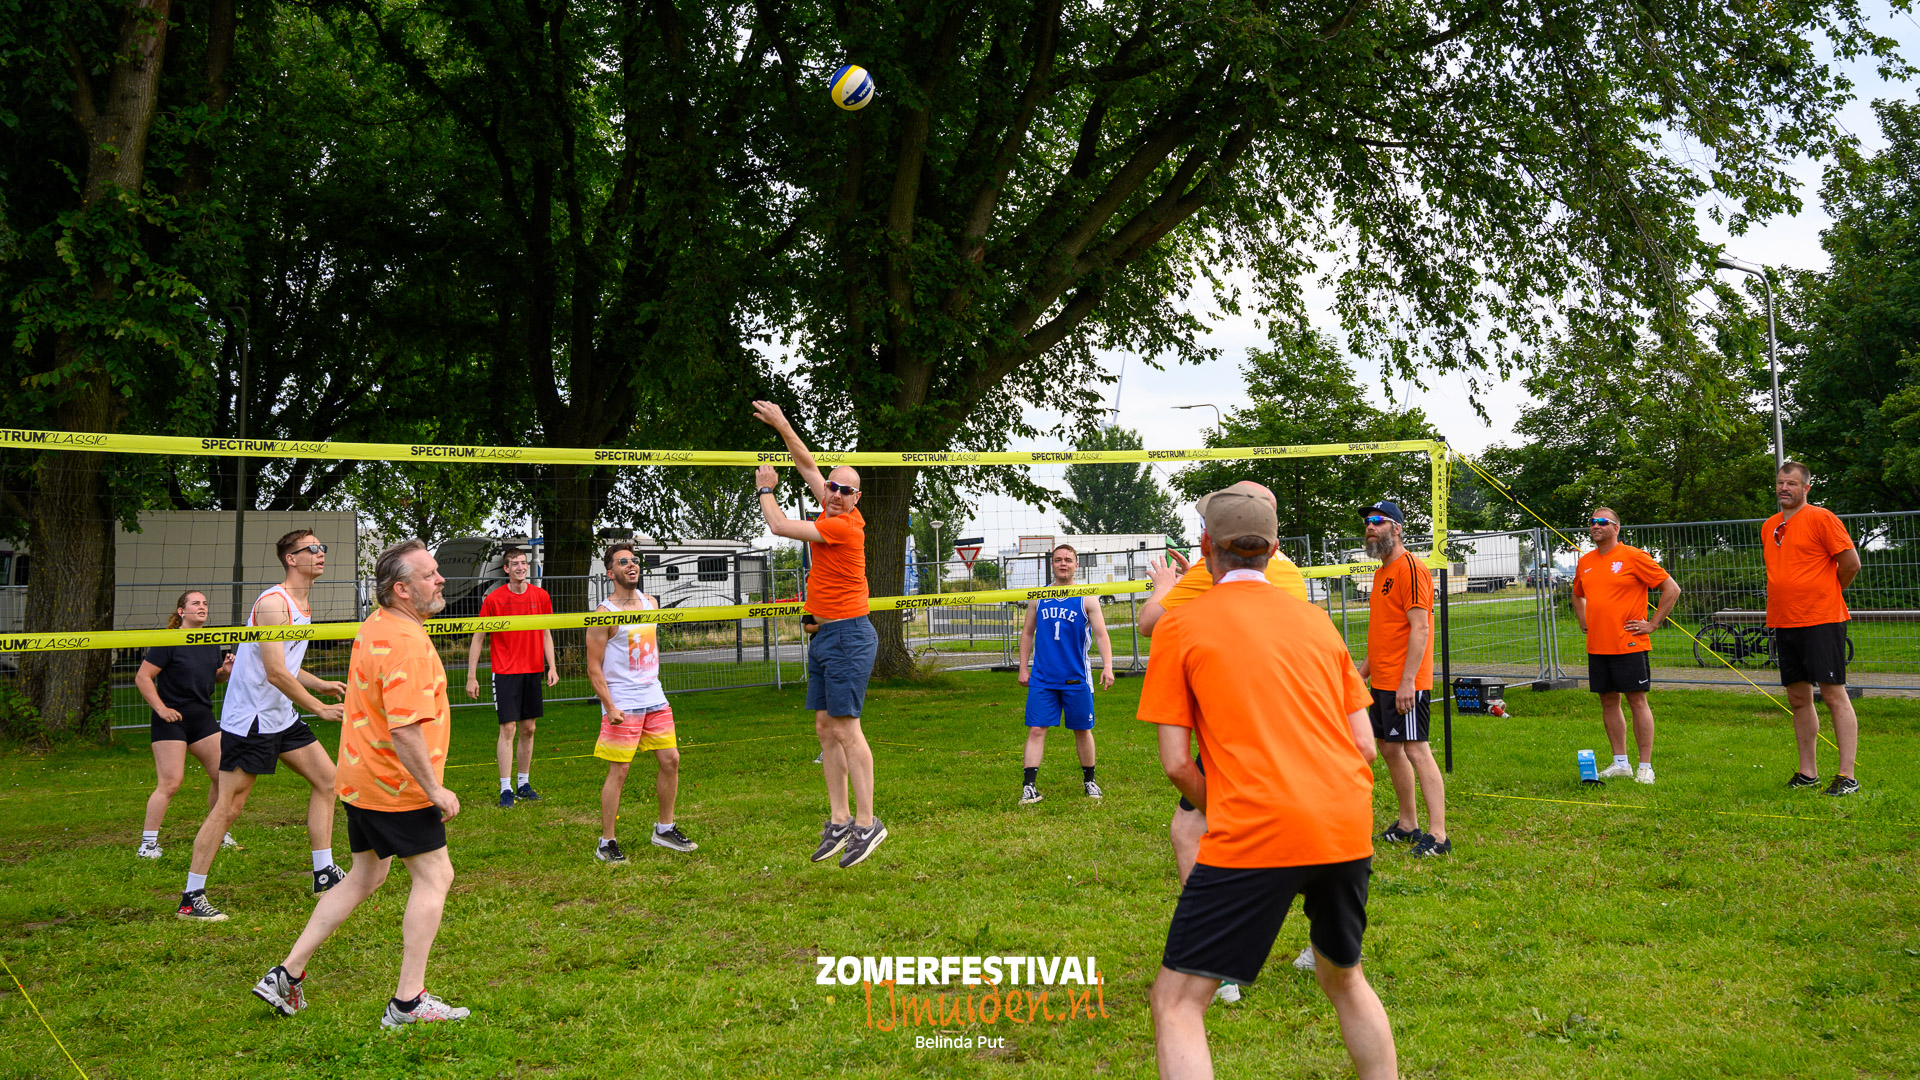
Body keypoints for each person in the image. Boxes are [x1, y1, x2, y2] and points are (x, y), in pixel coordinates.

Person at [1141, 486, 1396, 1080]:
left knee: (1176, 1003)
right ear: (1275, 549)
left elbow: (1177, 764)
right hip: (1344, 825)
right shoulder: (1317, 622)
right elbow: (1364, 745)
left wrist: (1225, 808)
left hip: (1256, 828)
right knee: (1345, 979)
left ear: (1206, 546)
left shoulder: (1180, 625)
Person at [251, 539, 471, 1028]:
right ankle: (408, 1002)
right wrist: (434, 789)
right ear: (402, 590)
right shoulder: (407, 644)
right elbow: (405, 729)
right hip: (395, 785)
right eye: (429, 575)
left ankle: (286, 974)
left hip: (360, 777)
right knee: (435, 876)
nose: (440, 580)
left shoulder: (377, 622)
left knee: (366, 875)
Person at [1140, 479, 1316, 987]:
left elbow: (1151, 623)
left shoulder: (1207, 573)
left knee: (1191, 830)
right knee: (1300, 833)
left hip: (1242, 728)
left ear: (1213, 539)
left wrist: (1164, 586)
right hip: (1301, 726)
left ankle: (1214, 957)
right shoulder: (1291, 573)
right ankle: (1323, 943)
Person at [177, 530, 348, 923]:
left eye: (322, 547)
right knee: (229, 806)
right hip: (251, 720)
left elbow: (286, 665)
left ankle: (323, 872)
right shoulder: (274, 604)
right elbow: (274, 672)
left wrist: (319, 683)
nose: (321, 553)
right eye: (312, 548)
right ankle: (191, 898)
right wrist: (319, 707)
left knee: (328, 780)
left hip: (280, 715)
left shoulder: (303, 602)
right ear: (291, 558)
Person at [751, 399, 887, 869]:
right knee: (825, 728)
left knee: (847, 728)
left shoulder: (843, 527)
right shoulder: (831, 503)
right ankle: (839, 819)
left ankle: (868, 823)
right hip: (826, 636)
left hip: (849, 635)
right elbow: (808, 465)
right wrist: (783, 424)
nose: (835, 493)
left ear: (856, 498)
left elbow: (777, 525)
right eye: (832, 486)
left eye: (846, 490)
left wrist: (766, 489)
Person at [586, 541, 697, 860]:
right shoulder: (604, 614)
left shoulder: (651, 603)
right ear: (610, 573)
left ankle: (664, 829)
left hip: (654, 695)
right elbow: (593, 667)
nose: (631, 565)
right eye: (623, 562)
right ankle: (606, 842)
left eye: (634, 560)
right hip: (622, 700)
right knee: (620, 770)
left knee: (671, 760)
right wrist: (609, 706)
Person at [1764, 461, 1862, 795]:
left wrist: (1826, 593)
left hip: (1822, 620)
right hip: (1784, 620)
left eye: (1791, 483)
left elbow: (1850, 564)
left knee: (1833, 694)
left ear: (1806, 488)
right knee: (1797, 697)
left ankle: (1847, 776)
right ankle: (1808, 773)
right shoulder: (1770, 526)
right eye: (1780, 482)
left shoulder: (1822, 518)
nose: (1784, 488)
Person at [1357, 500, 1449, 857]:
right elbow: (1384, 633)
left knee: (1416, 748)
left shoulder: (1411, 568)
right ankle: (1408, 824)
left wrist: (1408, 682)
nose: (1370, 526)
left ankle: (1439, 836)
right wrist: (1360, 675)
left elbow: (1420, 628)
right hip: (1382, 680)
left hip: (1404, 682)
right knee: (1388, 747)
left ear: (1396, 528)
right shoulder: (1382, 572)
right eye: (1367, 521)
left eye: (1378, 520)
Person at [1571, 507, 1681, 784]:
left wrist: (1652, 624)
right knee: (1608, 701)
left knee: (1637, 700)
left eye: (1602, 522)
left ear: (1616, 528)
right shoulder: (1585, 562)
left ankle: (1645, 767)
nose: (1595, 526)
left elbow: (1671, 589)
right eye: (1592, 522)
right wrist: (1583, 619)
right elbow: (1577, 594)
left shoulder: (1634, 556)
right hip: (1598, 645)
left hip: (1629, 643)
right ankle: (1621, 763)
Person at [133, 591, 236, 858]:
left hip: (202, 718)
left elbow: (213, 677)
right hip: (171, 720)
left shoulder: (210, 641)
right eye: (195, 603)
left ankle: (216, 832)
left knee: (224, 776)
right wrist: (161, 709)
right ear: (181, 611)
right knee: (170, 783)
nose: (202, 607)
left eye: (205, 603)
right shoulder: (169, 640)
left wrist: (224, 672)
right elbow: (143, 677)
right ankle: (148, 845)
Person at [1016, 544, 1115, 804]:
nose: (1063, 564)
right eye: (1058, 559)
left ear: (1076, 565)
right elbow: (1027, 633)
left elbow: (1101, 634)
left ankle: (1090, 781)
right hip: (1043, 677)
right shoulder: (1039, 596)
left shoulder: (1087, 597)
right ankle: (1029, 787)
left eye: (1068, 560)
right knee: (1036, 729)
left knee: (1082, 729)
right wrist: (1023, 667)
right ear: (1052, 564)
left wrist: (1108, 666)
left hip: (1076, 676)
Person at [465, 547, 558, 808]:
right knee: (508, 728)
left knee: (529, 728)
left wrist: (552, 666)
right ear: (506, 569)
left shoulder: (540, 596)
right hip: (505, 672)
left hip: (532, 670)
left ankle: (523, 784)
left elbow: (546, 633)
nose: (520, 567)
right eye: (514, 564)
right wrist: (471, 676)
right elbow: (478, 638)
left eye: (523, 563)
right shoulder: (494, 599)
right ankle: (505, 789)